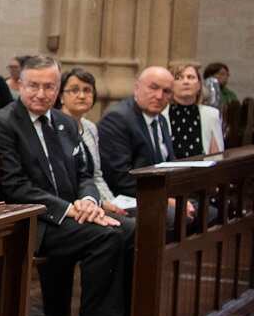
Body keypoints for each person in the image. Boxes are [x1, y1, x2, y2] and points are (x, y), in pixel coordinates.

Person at [0, 57, 135, 316]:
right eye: (34, 86)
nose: (41, 93)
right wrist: (69, 209)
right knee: (108, 236)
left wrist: (89, 202)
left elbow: (84, 174)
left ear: (58, 88)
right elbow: (14, 186)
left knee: (129, 228)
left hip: (68, 216)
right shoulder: (2, 123)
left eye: (49, 86)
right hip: (30, 220)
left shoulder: (65, 123)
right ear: (20, 85)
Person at [98, 65, 177, 198]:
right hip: (132, 198)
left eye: (166, 91)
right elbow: (121, 179)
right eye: (153, 87)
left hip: (161, 192)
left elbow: (169, 165)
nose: (159, 96)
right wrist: (164, 198)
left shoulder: (161, 119)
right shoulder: (117, 119)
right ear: (137, 88)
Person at [58, 67, 121, 215]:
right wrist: (100, 203)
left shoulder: (90, 128)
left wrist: (112, 203)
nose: (81, 96)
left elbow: (96, 176)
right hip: (74, 204)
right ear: (61, 96)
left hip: (95, 198)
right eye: (74, 90)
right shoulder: (55, 127)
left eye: (87, 90)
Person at [167, 61, 225, 157]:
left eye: (191, 77)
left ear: (199, 85)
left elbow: (216, 155)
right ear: (171, 86)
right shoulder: (160, 114)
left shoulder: (211, 114)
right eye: (178, 78)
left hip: (200, 170)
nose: (186, 82)